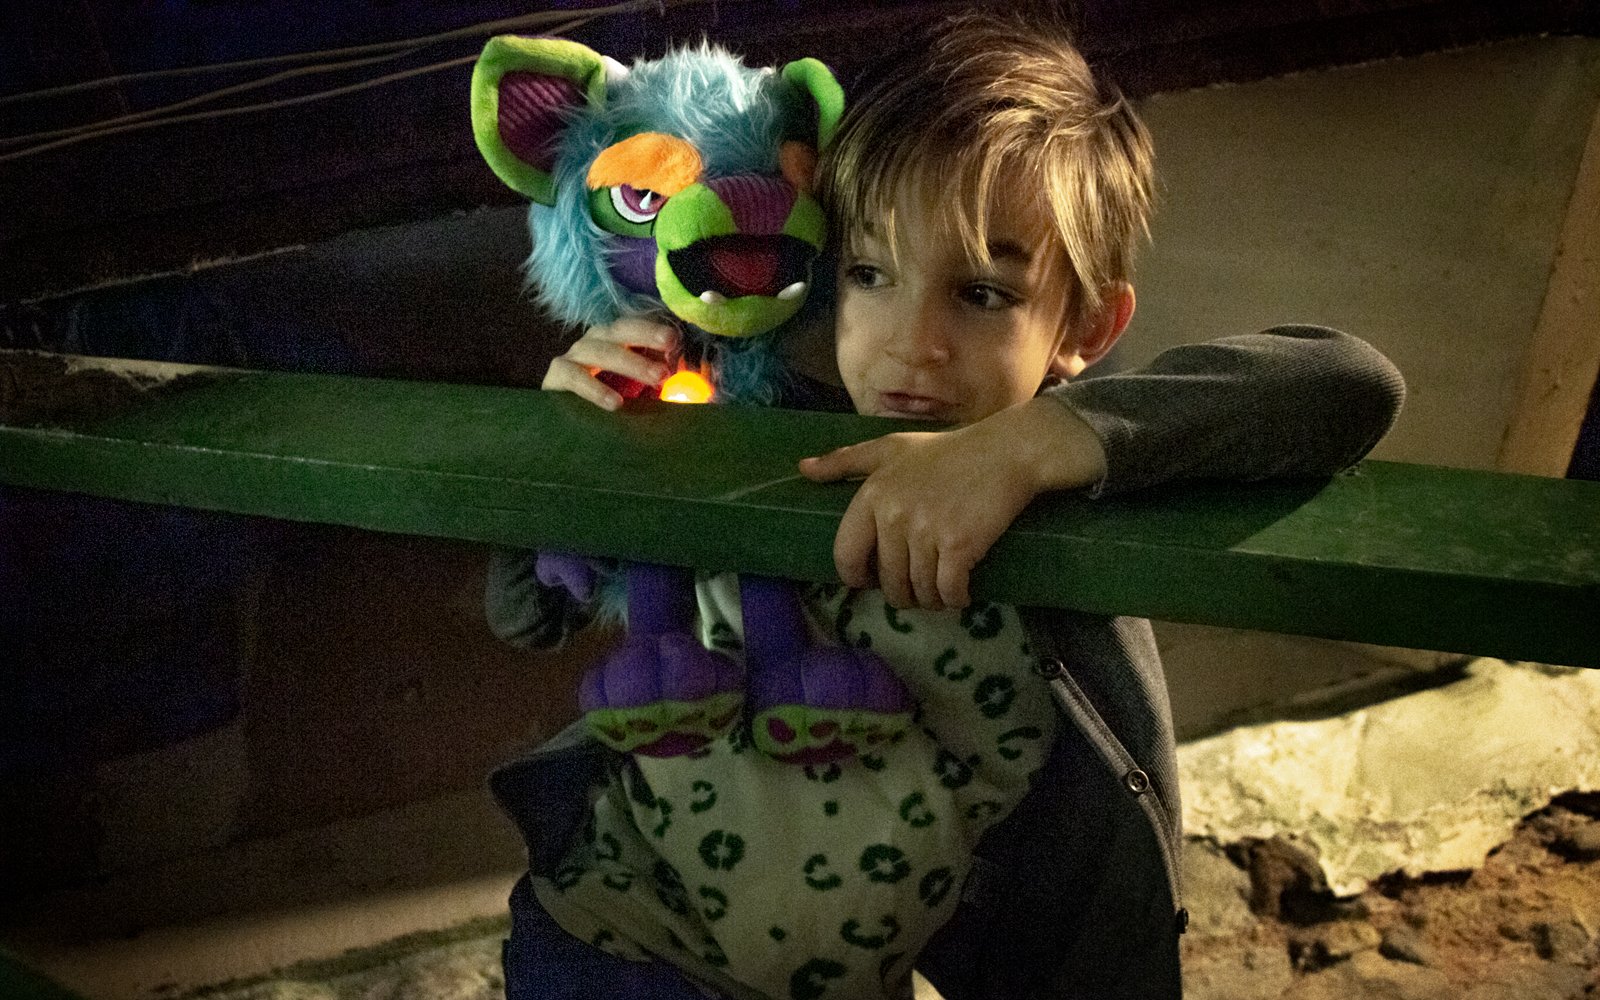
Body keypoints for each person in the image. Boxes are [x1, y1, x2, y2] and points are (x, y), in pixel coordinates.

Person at [493, 11, 1405, 1000]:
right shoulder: (764, 430)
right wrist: (575, 448)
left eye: (981, 295)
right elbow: (525, 612)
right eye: (870, 274)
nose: (911, 344)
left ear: (1087, 326)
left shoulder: (1077, 459)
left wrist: (1031, 446)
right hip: (615, 946)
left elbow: (1349, 381)